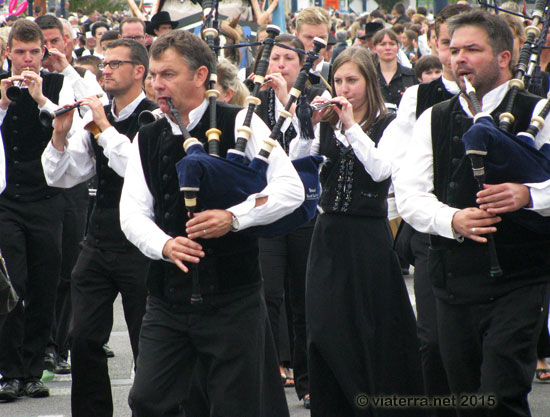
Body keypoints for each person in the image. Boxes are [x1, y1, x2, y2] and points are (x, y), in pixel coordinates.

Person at [120, 29, 303, 417]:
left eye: (166, 75)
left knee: (235, 406)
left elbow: (290, 189)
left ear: (201, 76)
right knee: (148, 400)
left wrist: (233, 217)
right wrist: (165, 246)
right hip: (167, 300)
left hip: (232, 300)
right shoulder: (148, 136)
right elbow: (132, 212)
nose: (156, 85)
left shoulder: (242, 124)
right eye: (152, 75)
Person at [394, 10, 550, 417]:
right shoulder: (436, 117)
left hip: (521, 279)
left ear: (504, 57)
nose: (459, 58)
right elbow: (409, 194)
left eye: (472, 50)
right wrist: (452, 220)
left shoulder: (541, 112)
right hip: (454, 282)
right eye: (454, 48)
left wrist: (528, 195)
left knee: (500, 397)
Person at [291, 46, 423, 416]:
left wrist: (350, 125)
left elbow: (382, 170)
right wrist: (308, 125)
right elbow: (300, 166)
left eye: (353, 80)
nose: (344, 88)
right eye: (338, 80)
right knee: (326, 326)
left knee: (372, 326)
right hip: (328, 232)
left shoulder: (390, 122)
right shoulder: (327, 123)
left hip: (368, 235)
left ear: (369, 81)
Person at [42, 39, 157, 417]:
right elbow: (62, 175)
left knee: (149, 340)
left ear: (139, 71)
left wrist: (104, 127)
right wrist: (60, 134)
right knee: (83, 336)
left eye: (114, 64)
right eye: (103, 63)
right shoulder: (96, 114)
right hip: (99, 239)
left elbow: (136, 170)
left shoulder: (154, 117)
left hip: (143, 243)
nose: (104, 70)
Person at [390, 5, 470, 417]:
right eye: (446, 45)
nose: (457, 58)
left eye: (467, 47)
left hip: (503, 244)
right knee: (435, 339)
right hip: (432, 232)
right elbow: (397, 164)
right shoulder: (418, 97)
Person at [0, 18, 76, 401]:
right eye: (20, 52)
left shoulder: (58, 85)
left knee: (45, 285)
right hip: (6, 201)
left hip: (47, 198)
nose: (27, 60)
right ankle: (9, 371)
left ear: (43, 53)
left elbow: (70, 129)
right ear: (7, 53)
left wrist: (41, 94)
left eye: (34, 52)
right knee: (13, 284)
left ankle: (33, 369)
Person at [255, 32, 329, 410]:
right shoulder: (253, 97)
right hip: (266, 211)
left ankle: (307, 380)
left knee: (302, 299)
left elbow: (306, 150)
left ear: (302, 64)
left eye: (287, 59)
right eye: (275, 58)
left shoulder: (313, 97)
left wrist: (287, 98)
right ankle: (267, 377)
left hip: (302, 211)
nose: (279, 66)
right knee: (267, 296)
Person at [372, 28, 417, 109]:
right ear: (374, 48)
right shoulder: (369, 76)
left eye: (392, 44)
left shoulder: (411, 75)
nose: (388, 48)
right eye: (382, 44)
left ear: (398, 47)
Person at [294, 7, 331, 90]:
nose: (315, 44)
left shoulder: (336, 74)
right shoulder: (289, 74)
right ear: (297, 37)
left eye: (321, 38)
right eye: (309, 37)